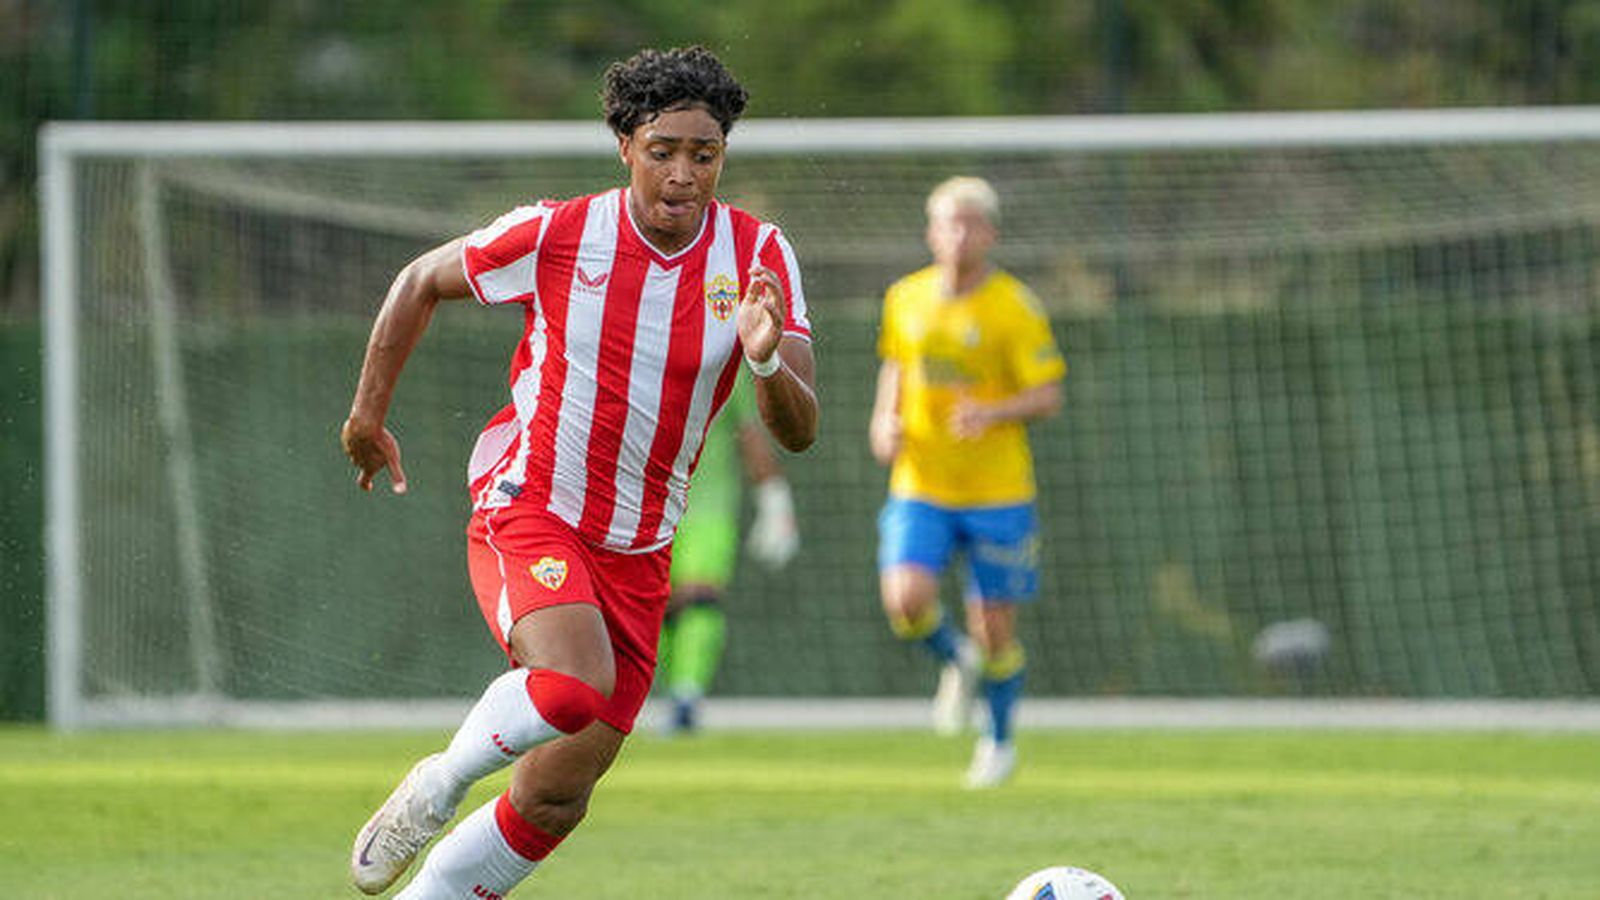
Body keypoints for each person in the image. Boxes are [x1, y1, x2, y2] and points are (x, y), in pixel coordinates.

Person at [340, 46, 818, 899]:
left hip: (641, 549)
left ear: (723, 157)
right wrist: (367, 416)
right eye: (663, 150)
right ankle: (437, 785)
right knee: (569, 687)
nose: (683, 173)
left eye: (702, 154)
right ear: (626, 147)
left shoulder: (758, 256)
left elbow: (800, 430)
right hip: (531, 503)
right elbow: (419, 281)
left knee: (556, 795)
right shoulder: (561, 232)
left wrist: (766, 360)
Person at [869, 176, 1064, 789]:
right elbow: (896, 366)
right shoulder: (905, 297)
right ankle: (955, 661)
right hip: (921, 481)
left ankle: (999, 741)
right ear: (931, 232)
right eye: (947, 224)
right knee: (905, 600)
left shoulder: (1014, 307)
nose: (957, 235)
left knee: (995, 625)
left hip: (997, 491)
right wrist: (883, 420)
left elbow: (1049, 394)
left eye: (970, 224)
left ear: (990, 233)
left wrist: (993, 412)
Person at [657, 371, 799, 735]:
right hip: (650, 508)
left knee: (701, 598)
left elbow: (750, 433)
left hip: (710, 511)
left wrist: (775, 500)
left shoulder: (723, 364)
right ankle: (668, 693)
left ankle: (688, 695)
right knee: (660, 608)